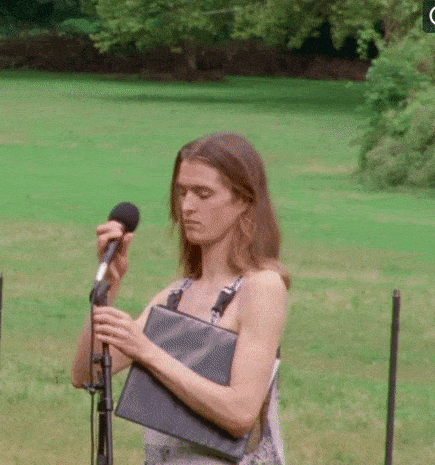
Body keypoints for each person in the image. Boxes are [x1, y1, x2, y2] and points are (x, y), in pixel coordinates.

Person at [70, 132, 288, 465]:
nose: (187, 206)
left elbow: (240, 413)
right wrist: (108, 286)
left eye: (204, 194)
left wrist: (146, 351)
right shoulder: (174, 296)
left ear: (243, 200)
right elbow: (86, 374)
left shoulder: (261, 288)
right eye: (182, 192)